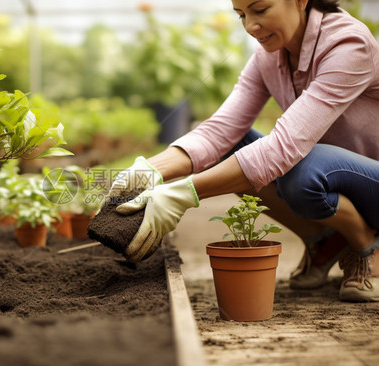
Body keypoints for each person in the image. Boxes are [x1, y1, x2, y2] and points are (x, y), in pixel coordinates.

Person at [108, 0, 379, 302]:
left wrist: (181, 195)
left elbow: (283, 147)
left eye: (260, 10)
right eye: (241, 15)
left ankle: (367, 244)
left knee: (303, 173)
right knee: (227, 148)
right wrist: (148, 171)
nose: (250, 26)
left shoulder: (348, 44)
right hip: (336, 175)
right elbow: (220, 130)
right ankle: (324, 240)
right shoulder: (270, 55)